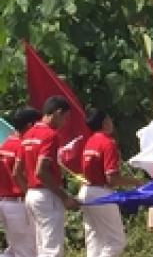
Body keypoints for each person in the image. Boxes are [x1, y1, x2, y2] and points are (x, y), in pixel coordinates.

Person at [19, 95, 80, 257]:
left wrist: (29, 192)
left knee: (42, 245)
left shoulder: (27, 135)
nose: (65, 123)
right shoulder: (50, 135)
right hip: (47, 194)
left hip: (32, 194)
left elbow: (17, 171)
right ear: (58, 113)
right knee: (52, 248)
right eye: (65, 118)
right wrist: (65, 196)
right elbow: (41, 171)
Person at [78, 108, 141, 257]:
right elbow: (112, 178)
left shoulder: (89, 142)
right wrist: (137, 182)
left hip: (86, 192)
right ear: (105, 122)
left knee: (94, 241)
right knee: (116, 242)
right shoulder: (108, 142)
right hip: (101, 194)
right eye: (110, 119)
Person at [0, 106, 41, 257]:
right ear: (30, 126)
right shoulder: (22, 146)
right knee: (27, 251)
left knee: (15, 248)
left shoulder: (5, 144)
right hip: (19, 204)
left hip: (5, 202)